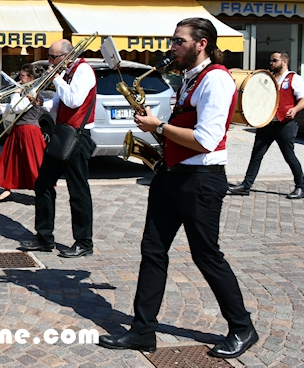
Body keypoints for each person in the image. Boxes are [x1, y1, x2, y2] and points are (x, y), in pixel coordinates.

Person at [99, 18, 258, 359]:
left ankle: (243, 327)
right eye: (173, 40)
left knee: (207, 256)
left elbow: (206, 140)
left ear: (201, 44)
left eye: (178, 41)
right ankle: (143, 331)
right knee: (152, 251)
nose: (172, 47)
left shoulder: (216, 79)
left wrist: (161, 125)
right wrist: (152, 126)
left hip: (201, 180)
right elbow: (177, 132)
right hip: (171, 175)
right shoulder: (188, 79)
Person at [19, 39, 96, 258]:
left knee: (78, 190)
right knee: (43, 183)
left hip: (78, 137)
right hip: (62, 133)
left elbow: (74, 100)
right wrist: (41, 102)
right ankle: (44, 238)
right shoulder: (68, 73)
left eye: (53, 57)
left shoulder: (83, 71)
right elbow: (60, 105)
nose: (50, 62)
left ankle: (84, 242)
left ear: (66, 56)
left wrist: (56, 78)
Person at [228, 51, 304, 200]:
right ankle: (246, 185)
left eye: (275, 61)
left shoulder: (293, 78)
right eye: (271, 61)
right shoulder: (267, 78)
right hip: (266, 123)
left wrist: (295, 109)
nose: (272, 63)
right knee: (256, 155)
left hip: (284, 124)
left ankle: (301, 187)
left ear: (284, 62)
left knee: (289, 156)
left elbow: (303, 99)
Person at [0, 64, 45, 202]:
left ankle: (42, 190)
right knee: (11, 160)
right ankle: (7, 187)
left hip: (29, 131)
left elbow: (17, 107)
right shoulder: (25, 92)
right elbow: (14, 107)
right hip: (19, 129)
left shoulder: (32, 92)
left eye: (22, 75)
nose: (19, 78)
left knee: (33, 163)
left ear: (31, 78)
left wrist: (15, 92)